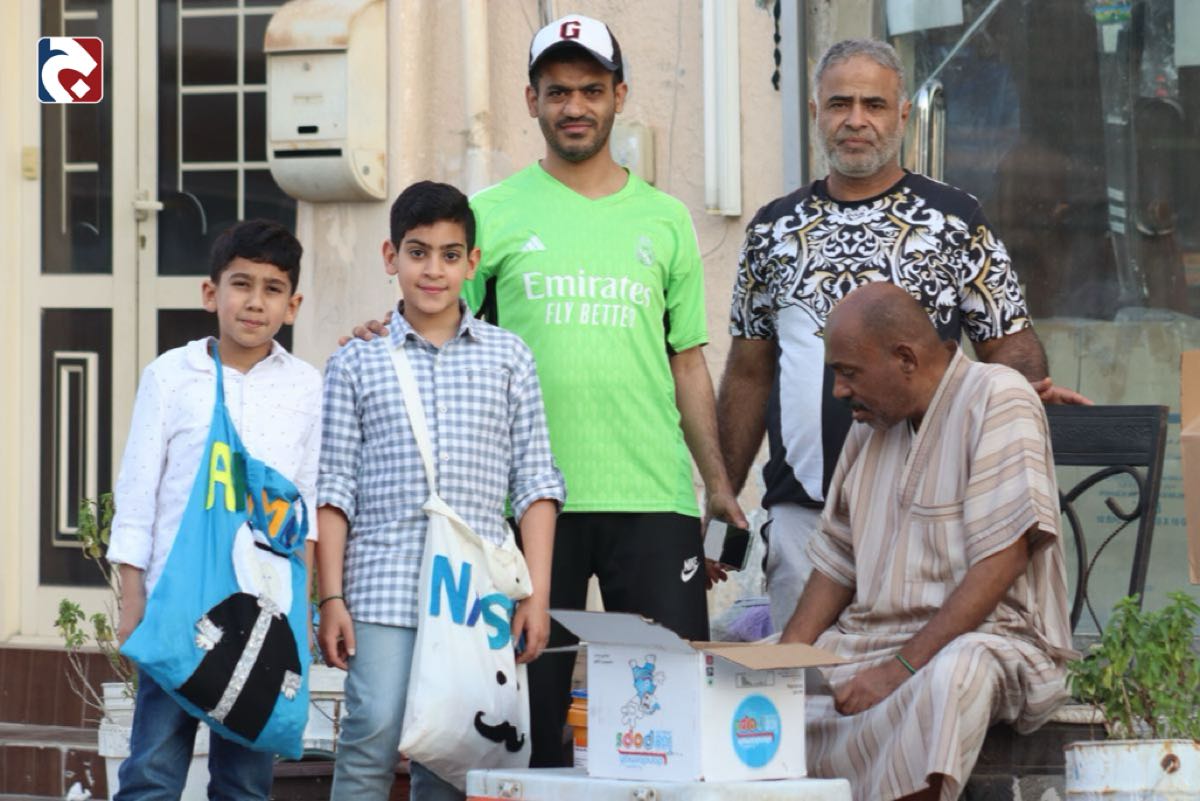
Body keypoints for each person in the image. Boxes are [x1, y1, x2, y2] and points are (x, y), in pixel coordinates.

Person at [349, 15, 746, 767]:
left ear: (619, 96)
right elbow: (441, 323)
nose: (575, 106)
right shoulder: (490, 216)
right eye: (557, 91)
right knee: (524, 729)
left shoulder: (666, 220)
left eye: (591, 90)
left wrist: (719, 486)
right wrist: (381, 328)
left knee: (664, 727)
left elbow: (688, 362)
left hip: (652, 497)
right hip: (525, 508)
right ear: (531, 100)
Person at [717, 38, 1088, 632]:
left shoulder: (954, 220)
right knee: (801, 680)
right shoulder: (773, 229)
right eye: (839, 104)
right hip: (802, 518)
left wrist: (1017, 399)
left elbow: (1007, 341)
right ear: (814, 112)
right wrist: (722, 503)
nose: (855, 120)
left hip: (929, 518)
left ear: (903, 115)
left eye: (874, 104)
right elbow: (748, 371)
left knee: (910, 678)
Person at [316, 181, 564, 800]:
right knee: (371, 735)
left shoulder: (509, 357)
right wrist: (331, 597)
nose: (433, 270)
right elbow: (334, 488)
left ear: (472, 263)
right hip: (383, 584)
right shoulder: (356, 361)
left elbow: (535, 482)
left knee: (455, 753)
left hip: (473, 593)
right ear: (390, 256)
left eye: (450, 255)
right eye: (418, 252)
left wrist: (535, 596)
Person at [781, 282, 1073, 801]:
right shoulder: (870, 424)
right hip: (866, 644)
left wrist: (898, 669)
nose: (839, 391)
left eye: (849, 373)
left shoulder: (998, 396)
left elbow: (1003, 559)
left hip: (988, 641)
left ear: (905, 359)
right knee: (732, 682)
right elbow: (837, 562)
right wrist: (781, 664)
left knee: (952, 678)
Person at [107, 219, 322, 800]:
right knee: (152, 770)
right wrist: (133, 597)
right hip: (176, 606)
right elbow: (138, 493)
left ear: (293, 305)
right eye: (241, 284)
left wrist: (302, 616)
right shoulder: (171, 377)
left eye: (273, 289)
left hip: (265, 615)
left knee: (245, 782)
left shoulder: (306, 389)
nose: (255, 302)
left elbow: (303, 509)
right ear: (211, 293)